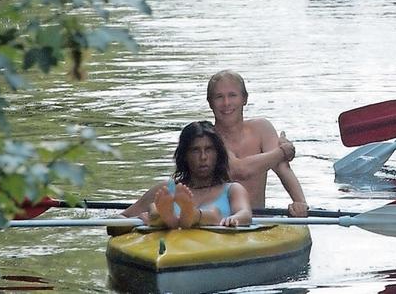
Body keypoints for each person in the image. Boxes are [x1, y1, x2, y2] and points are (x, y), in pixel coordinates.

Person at [116, 121, 252, 233]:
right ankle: (161, 218)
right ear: (185, 156)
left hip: (212, 242)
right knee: (154, 209)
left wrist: (234, 219)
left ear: (218, 154)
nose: (203, 157)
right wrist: (139, 222)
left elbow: (245, 214)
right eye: (195, 150)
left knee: (214, 213)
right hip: (170, 247)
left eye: (209, 149)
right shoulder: (165, 190)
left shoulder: (233, 190)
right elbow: (119, 219)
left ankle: (191, 216)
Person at [208, 70, 309, 217]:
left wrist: (301, 203)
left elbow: (283, 169)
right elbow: (239, 170)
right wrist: (282, 152)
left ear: (245, 99)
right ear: (210, 102)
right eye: (219, 97)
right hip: (218, 222)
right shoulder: (207, 137)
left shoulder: (262, 128)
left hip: (258, 220)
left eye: (232, 95)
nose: (226, 103)